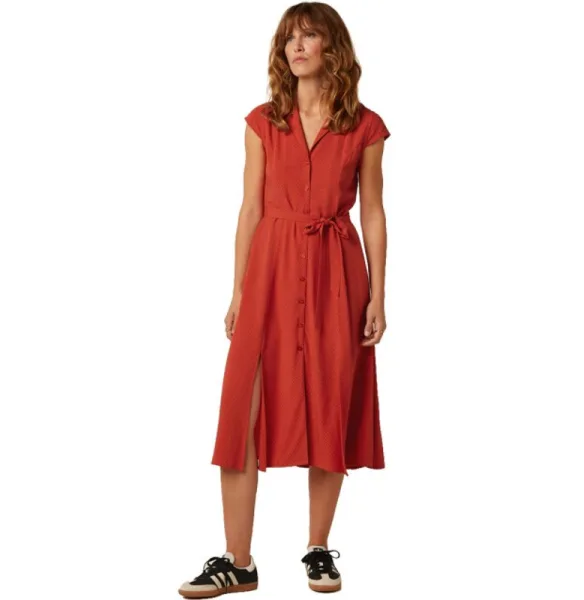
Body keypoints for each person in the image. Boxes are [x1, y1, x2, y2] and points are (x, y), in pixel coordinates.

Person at [178, 2, 390, 597]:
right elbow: (249, 208)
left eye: (310, 36)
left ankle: (318, 549)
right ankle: (237, 561)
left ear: (332, 48)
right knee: (241, 409)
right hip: (269, 271)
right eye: (289, 38)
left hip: (336, 272)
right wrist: (239, 288)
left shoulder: (366, 127)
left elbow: (373, 212)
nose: (297, 46)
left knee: (330, 400)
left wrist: (378, 293)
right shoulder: (262, 121)